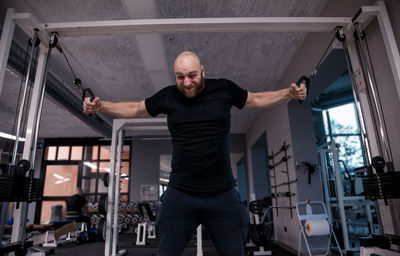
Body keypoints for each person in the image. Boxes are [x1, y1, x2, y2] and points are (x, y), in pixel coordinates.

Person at [83, 51, 306, 256]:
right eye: (180, 77)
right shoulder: (168, 96)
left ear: (203, 71)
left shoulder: (224, 89)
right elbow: (135, 108)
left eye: (192, 75)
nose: (187, 82)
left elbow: (255, 100)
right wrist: (101, 106)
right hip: (181, 192)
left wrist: (288, 92)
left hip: (222, 192)